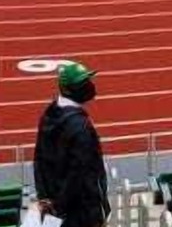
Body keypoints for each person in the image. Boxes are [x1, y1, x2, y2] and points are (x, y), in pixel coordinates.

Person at [33, 62, 109, 227]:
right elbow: (80, 174)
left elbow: (39, 159)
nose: (90, 86)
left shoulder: (48, 115)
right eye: (84, 83)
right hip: (82, 214)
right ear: (71, 90)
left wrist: (45, 199)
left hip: (54, 210)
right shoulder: (81, 127)